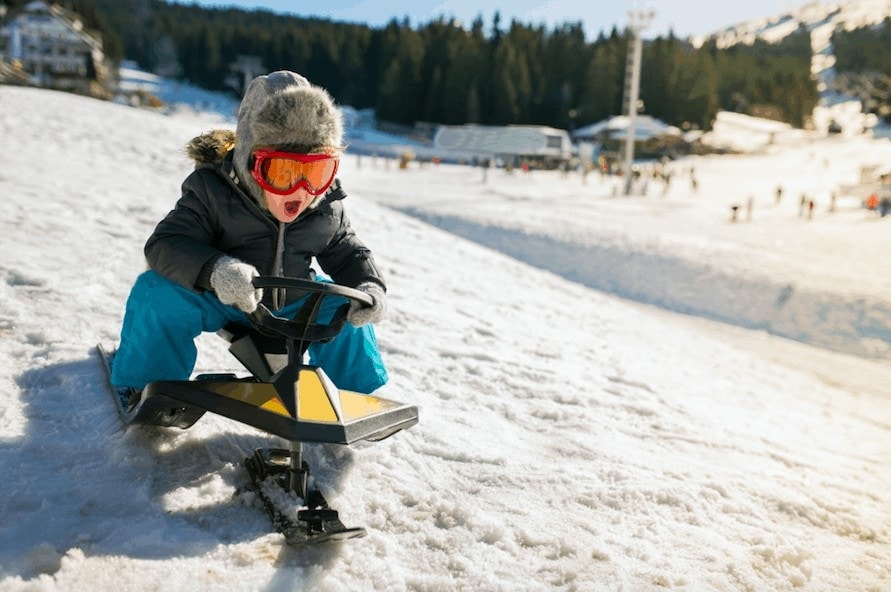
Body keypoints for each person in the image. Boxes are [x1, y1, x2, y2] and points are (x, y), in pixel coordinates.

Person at [110, 70, 388, 400]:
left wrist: (368, 286)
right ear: (251, 162)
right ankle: (145, 384)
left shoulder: (325, 205)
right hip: (226, 299)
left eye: (315, 172)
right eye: (283, 172)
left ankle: (359, 397)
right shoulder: (212, 190)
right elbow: (166, 245)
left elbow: (347, 250)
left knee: (347, 304)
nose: (301, 191)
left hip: (296, 303)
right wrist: (216, 271)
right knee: (157, 294)